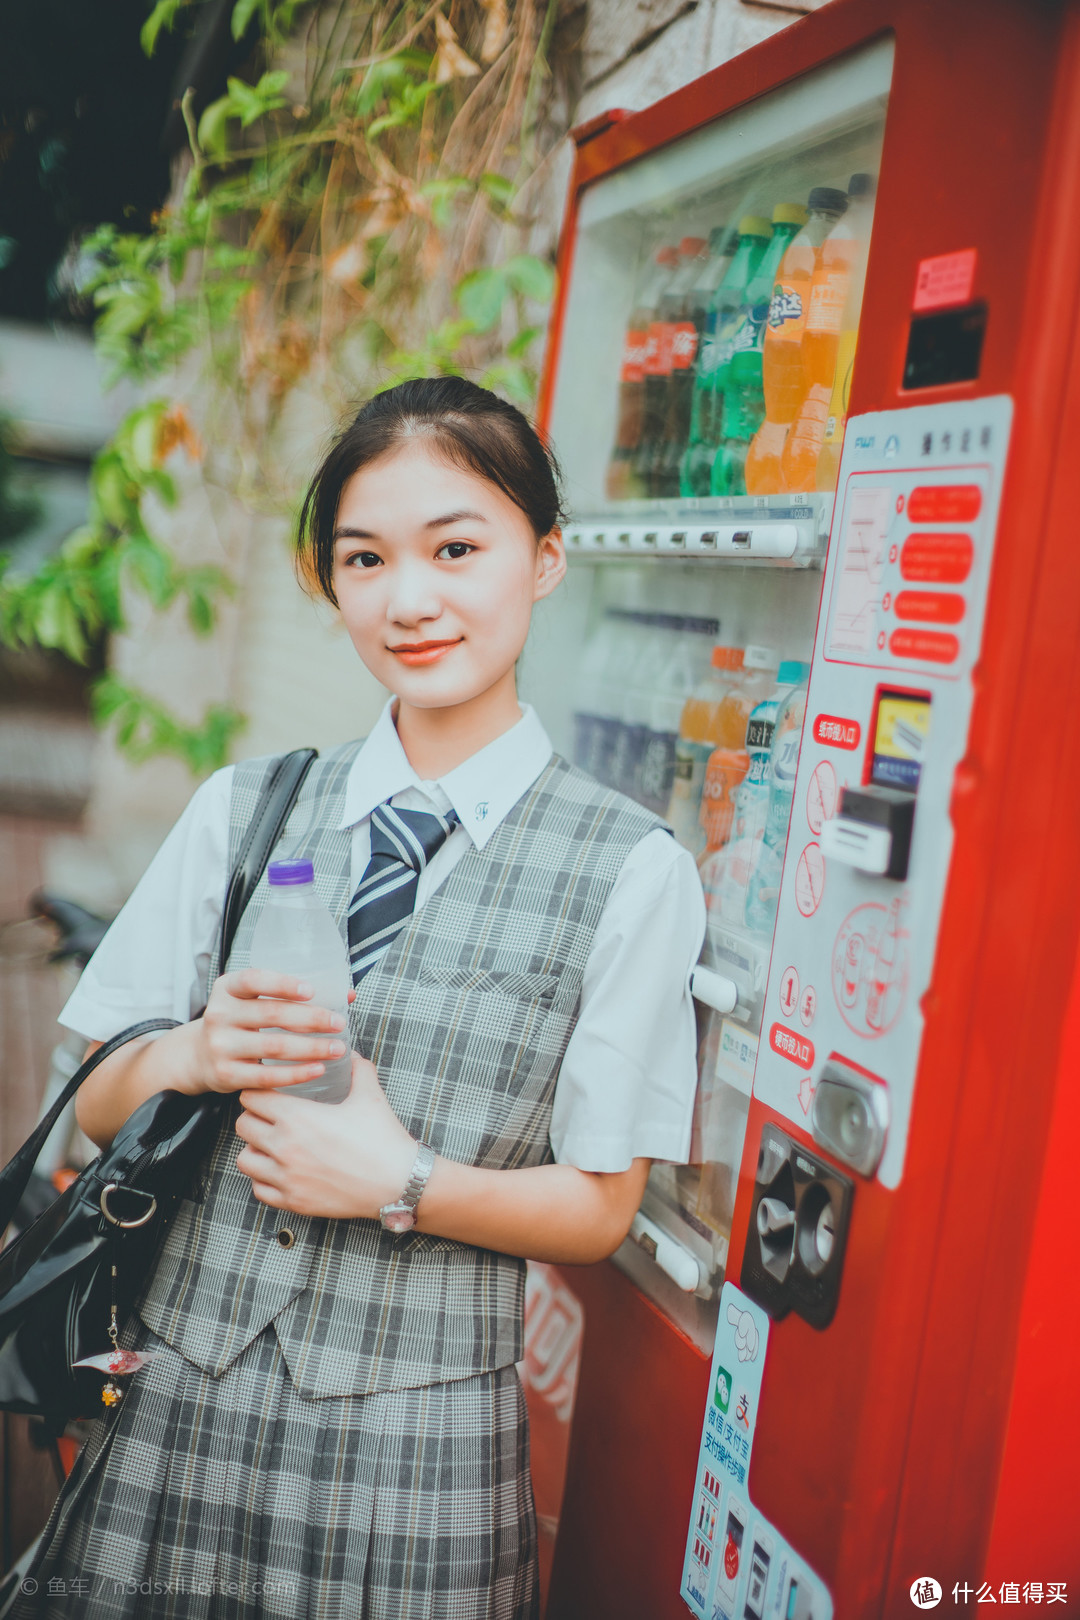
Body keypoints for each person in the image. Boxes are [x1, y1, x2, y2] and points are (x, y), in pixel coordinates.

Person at [15, 378, 705, 1619]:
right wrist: (189, 1053)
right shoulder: (247, 806)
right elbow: (98, 1104)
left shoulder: (633, 870)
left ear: (544, 559)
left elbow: (602, 1207)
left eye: (457, 547)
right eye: (364, 557)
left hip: (422, 1451)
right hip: (178, 1394)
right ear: (328, 582)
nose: (411, 598)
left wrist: (399, 1181)